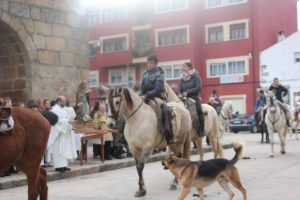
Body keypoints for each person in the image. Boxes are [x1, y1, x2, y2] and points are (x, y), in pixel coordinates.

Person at [140, 54, 175, 144]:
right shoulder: (145, 74)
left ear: (156, 64)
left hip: (157, 96)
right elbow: (142, 87)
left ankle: (169, 135)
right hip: (145, 96)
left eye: (151, 63)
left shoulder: (159, 72)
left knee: (165, 110)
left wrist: (147, 95)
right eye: (148, 63)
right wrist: (140, 95)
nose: (149, 65)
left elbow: (158, 88)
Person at [47, 96, 77, 173]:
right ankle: (58, 167)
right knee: (58, 150)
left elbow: (68, 116)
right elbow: (57, 120)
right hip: (57, 133)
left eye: (65, 101)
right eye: (63, 101)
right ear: (59, 101)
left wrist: (70, 119)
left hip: (64, 132)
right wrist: (67, 120)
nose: (65, 102)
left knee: (64, 149)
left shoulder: (64, 109)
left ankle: (64, 165)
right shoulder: (54, 110)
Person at [178, 62, 204, 136]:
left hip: (194, 98)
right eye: (183, 67)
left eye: (185, 67)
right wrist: (179, 93)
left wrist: (187, 92)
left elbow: (199, 87)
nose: (183, 68)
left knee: (199, 110)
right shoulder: (183, 78)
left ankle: (201, 129)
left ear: (190, 68)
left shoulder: (196, 76)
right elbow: (179, 88)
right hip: (184, 99)